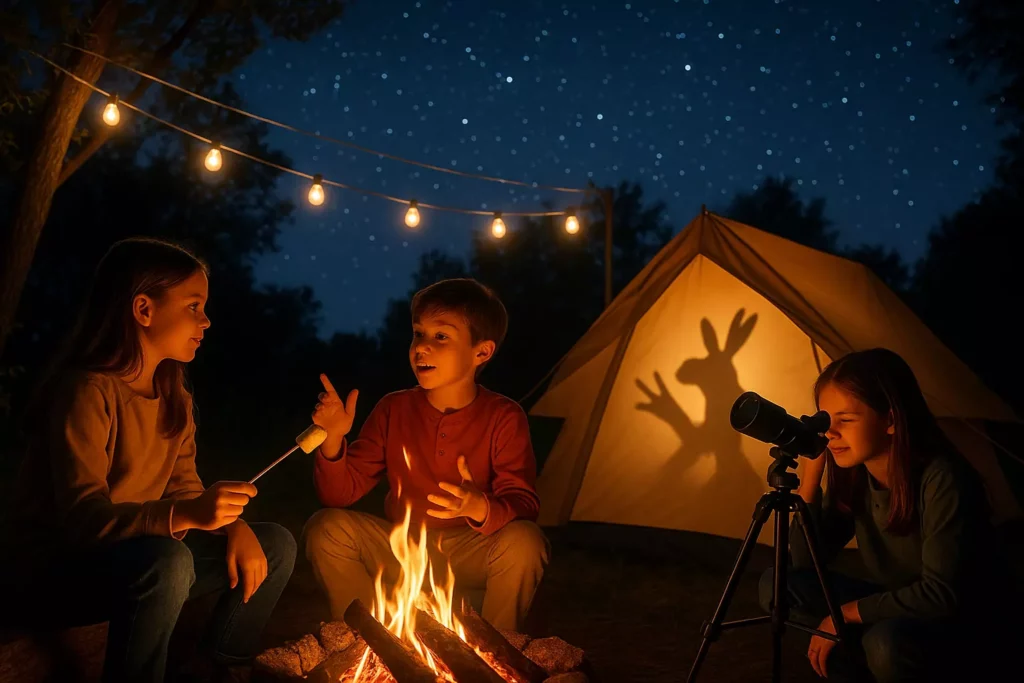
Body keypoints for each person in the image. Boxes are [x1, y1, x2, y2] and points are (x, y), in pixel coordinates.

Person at [2, 238, 296, 683]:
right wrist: (186, 515)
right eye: (194, 306)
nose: (206, 320)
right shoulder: (86, 392)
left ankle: (221, 666)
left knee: (273, 544)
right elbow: (83, 522)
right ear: (143, 309)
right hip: (56, 573)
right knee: (168, 562)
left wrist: (232, 525)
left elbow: (184, 489)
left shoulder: (172, 394)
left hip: (138, 559)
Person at [303, 278, 549, 631]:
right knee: (326, 529)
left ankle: (493, 652)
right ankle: (366, 639)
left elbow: (524, 503)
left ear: (481, 352)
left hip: (470, 548)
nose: (422, 347)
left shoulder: (504, 416)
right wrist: (333, 440)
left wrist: (479, 506)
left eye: (441, 337)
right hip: (401, 546)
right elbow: (338, 494)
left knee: (526, 542)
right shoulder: (393, 408)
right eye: (418, 333)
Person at [759, 348, 1011, 682]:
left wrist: (844, 615)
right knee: (776, 585)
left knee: (884, 642)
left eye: (845, 420)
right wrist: (809, 482)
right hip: (895, 605)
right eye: (825, 420)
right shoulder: (854, 474)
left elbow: (940, 595)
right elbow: (805, 564)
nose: (831, 433)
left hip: (959, 621)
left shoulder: (942, 478)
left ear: (890, 420)